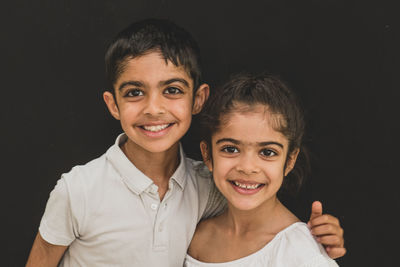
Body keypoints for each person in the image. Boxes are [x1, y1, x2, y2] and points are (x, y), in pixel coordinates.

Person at [26, 19, 345, 267]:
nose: (154, 108)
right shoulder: (78, 190)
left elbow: (259, 214)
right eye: (135, 92)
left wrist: (318, 234)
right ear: (113, 105)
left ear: (198, 99)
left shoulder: (209, 186)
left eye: (172, 90)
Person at [185, 73, 340, 266]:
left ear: (290, 160)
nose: (247, 167)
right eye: (230, 149)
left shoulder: (300, 253)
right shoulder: (196, 238)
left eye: (267, 152)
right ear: (207, 155)